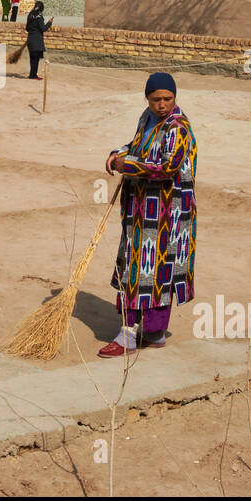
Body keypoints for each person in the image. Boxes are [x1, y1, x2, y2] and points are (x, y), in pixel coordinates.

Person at [98, 72, 198, 358]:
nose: (162, 105)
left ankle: (128, 335)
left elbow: (167, 168)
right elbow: (136, 145)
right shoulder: (147, 118)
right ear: (147, 99)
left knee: (153, 270)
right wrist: (117, 153)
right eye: (156, 99)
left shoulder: (179, 128)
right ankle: (153, 333)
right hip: (142, 210)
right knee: (140, 267)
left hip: (168, 214)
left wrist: (126, 166)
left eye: (167, 99)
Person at [25, 1, 53, 79]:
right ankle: (33, 75)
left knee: (32, 59)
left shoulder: (30, 15)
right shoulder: (39, 17)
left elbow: (27, 28)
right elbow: (43, 28)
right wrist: (49, 23)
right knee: (36, 59)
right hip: (37, 40)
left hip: (30, 39)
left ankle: (32, 74)